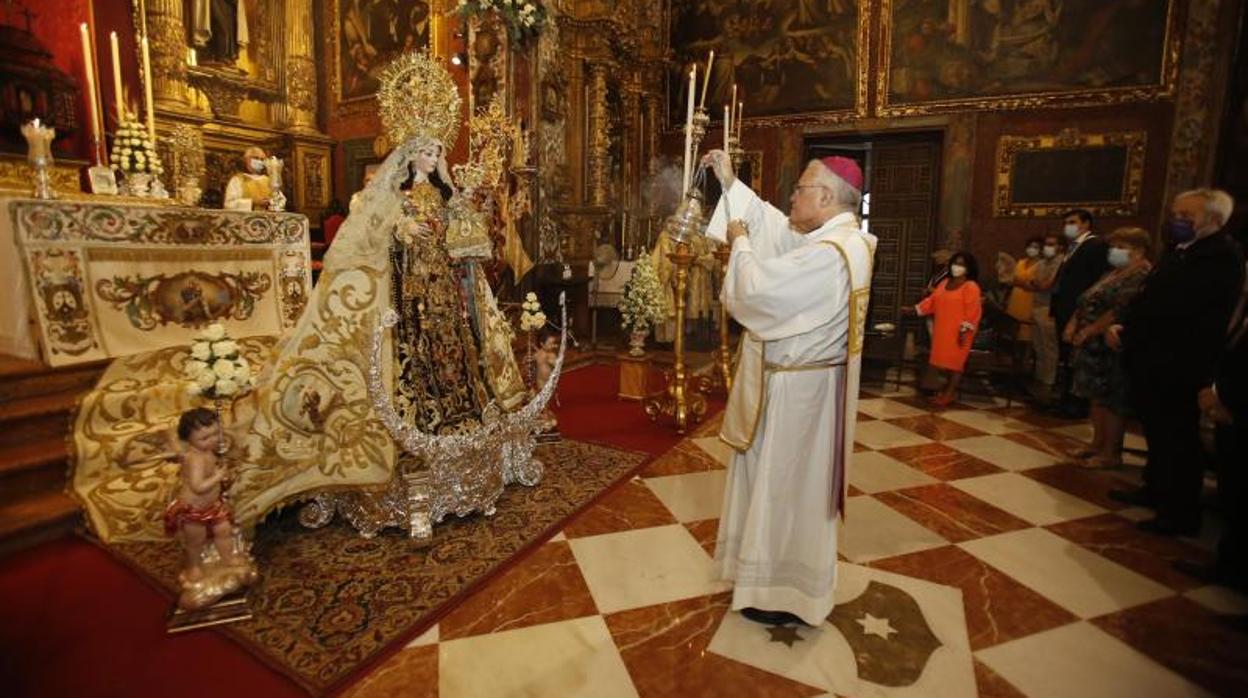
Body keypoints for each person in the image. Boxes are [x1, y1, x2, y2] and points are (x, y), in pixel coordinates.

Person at [70, 52, 537, 542]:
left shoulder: (443, 196)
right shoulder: (393, 198)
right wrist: (401, 229)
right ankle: (404, 438)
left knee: (452, 361)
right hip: (408, 296)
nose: (432, 158)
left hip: (442, 295)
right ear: (409, 153)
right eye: (426, 151)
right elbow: (371, 238)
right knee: (408, 362)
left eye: (437, 151)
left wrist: (449, 193)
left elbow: (468, 238)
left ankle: (456, 426)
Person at [702, 148, 876, 627]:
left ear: (826, 197)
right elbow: (780, 230)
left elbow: (758, 290)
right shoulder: (842, 242)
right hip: (806, 388)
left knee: (783, 490)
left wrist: (740, 242)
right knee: (784, 490)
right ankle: (767, 581)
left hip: (799, 399)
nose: (793, 197)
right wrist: (731, 185)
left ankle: (779, 593)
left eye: (800, 189)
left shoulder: (830, 254)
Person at [1109, 189, 1246, 536]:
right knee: (1157, 432)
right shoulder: (1179, 251)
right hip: (1151, 357)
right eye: (1176, 214)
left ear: (1214, 219)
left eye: (1187, 215)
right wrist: (1129, 327)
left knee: (1177, 438)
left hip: (1179, 362)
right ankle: (1155, 488)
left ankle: (1179, 511)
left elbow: (1187, 310)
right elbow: (1151, 297)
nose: (1178, 220)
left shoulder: (1220, 256)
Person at [1065, 227, 1152, 468]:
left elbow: (1120, 309)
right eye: (1114, 246)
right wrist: (1074, 322)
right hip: (1093, 345)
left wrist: (1089, 330)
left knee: (1113, 399)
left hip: (1111, 344)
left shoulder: (1140, 274)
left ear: (1139, 250)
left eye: (1121, 247)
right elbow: (1088, 299)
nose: (1114, 251)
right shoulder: (1113, 272)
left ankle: (1110, 452)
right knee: (1097, 396)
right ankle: (1097, 443)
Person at [165, 408, 241, 582]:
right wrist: (218, 476)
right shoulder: (195, 459)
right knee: (195, 540)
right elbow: (198, 486)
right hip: (194, 509)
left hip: (213, 505)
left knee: (224, 530)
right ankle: (194, 566)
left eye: (215, 434)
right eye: (204, 438)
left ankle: (228, 558)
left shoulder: (206, 451)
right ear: (188, 439)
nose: (212, 440)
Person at [1050, 209, 1109, 417]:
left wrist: (1080, 312)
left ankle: (1076, 403)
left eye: (1072, 222)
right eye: (1066, 222)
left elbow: (1095, 281)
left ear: (1086, 224)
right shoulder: (1073, 246)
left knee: (1077, 358)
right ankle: (1066, 398)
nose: (1068, 226)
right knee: (1066, 356)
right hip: (1065, 308)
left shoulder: (1095, 246)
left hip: (1079, 311)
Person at [911, 252, 982, 406]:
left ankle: (949, 394)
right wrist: (916, 309)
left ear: (969, 268)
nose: (957, 267)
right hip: (943, 329)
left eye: (961, 264)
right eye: (955, 263)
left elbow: (973, 312)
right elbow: (932, 301)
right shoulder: (944, 283)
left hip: (960, 332)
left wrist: (964, 330)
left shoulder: (971, 287)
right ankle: (945, 391)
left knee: (956, 363)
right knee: (945, 362)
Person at [1028, 233, 1064, 397]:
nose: (1047, 248)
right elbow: (1030, 281)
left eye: (1052, 244)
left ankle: (1048, 382)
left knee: (1049, 347)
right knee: (1038, 345)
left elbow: (1046, 285)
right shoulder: (1042, 263)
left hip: (1049, 308)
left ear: (1060, 247)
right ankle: (1039, 378)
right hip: (1037, 305)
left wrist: (1038, 284)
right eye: (1046, 244)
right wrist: (1037, 283)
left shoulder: (1061, 263)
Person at [1005, 237, 1043, 342]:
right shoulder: (1021, 262)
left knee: (1026, 331)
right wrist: (1021, 283)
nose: (1032, 249)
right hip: (1015, 299)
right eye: (1030, 246)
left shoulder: (1041, 265)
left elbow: (1035, 285)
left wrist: (1021, 283)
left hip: (1030, 301)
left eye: (1035, 247)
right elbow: (1013, 279)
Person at [224, 146, 273, 211]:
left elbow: (279, 202)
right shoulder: (237, 180)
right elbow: (229, 204)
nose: (259, 161)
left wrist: (270, 202)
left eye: (262, 159)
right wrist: (252, 203)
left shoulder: (269, 181)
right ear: (246, 159)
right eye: (256, 158)